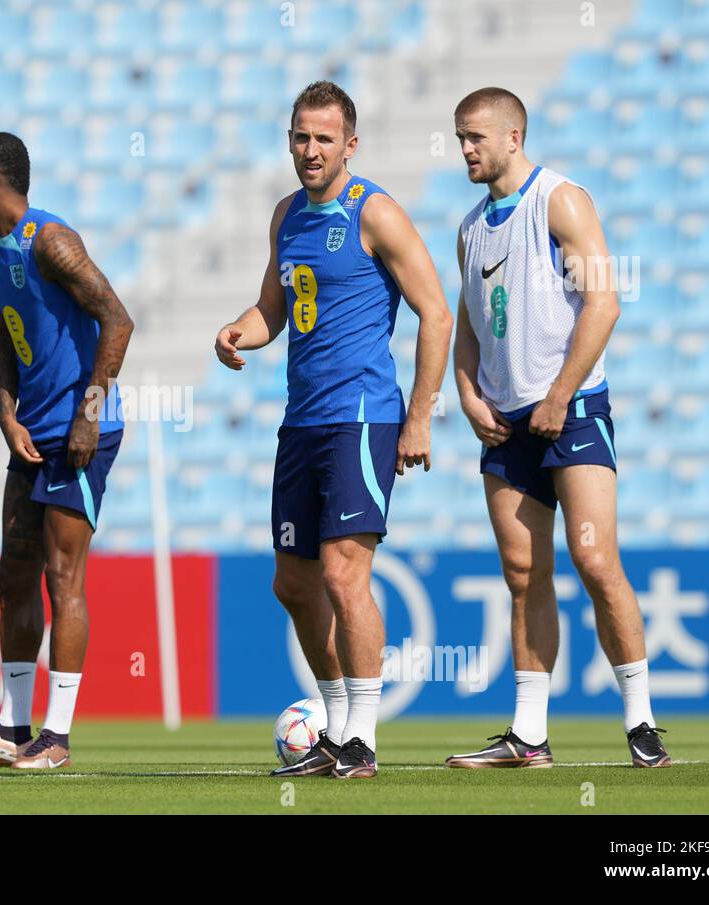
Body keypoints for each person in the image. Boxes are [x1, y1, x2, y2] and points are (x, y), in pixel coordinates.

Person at [214, 82, 453, 778]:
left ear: (351, 145)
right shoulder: (286, 215)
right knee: (294, 584)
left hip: (362, 418)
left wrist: (418, 416)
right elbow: (272, 308)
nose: (311, 150)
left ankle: (362, 742)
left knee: (345, 575)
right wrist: (239, 332)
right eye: (301, 136)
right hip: (302, 422)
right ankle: (336, 722)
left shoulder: (375, 212)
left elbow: (436, 313)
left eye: (324, 138)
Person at [446, 87, 670, 768]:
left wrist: (559, 396)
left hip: (572, 412)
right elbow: (467, 326)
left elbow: (604, 303)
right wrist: (467, 395)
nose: (465, 149)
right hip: (504, 425)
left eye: (475, 137)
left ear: (513, 137)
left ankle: (642, 723)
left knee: (595, 560)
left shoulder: (560, 200)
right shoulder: (469, 229)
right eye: (459, 138)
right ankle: (529, 735)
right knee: (523, 573)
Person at [0, 132, 132, 770]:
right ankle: (11, 728)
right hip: (33, 432)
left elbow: (118, 318)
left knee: (61, 575)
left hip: (79, 431)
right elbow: (2, 334)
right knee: (12, 574)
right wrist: (6, 413)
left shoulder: (51, 240)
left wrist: (89, 416)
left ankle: (57, 737)